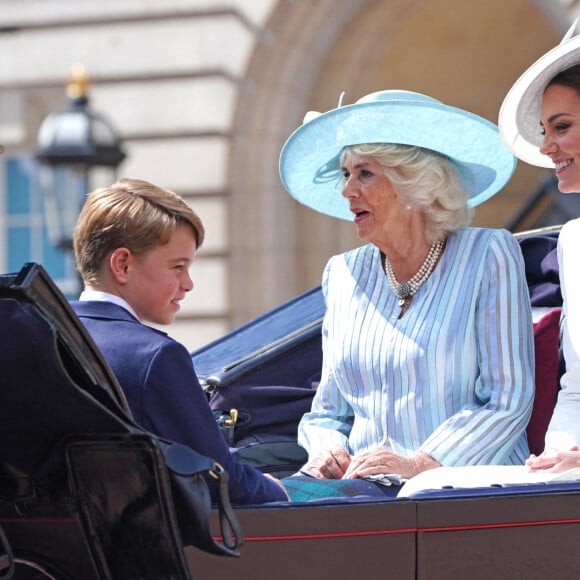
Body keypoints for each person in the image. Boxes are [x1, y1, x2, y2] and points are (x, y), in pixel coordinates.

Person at [278, 90, 535, 497]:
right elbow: (327, 413)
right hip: (364, 494)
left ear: (415, 184)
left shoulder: (488, 253)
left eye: (364, 174)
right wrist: (328, 451)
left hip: (470, 491)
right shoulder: (342, 273)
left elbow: (508, 399)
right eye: (345, 174)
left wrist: (420, 465)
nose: (347, 190)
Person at [71, 177, 289, 503]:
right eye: (177, 267)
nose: (188, 284)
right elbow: (219, 478)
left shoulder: (41, 334)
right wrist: (282, 489)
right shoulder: (155, 356)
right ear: (123, 265)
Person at [499, 23, 580, 474]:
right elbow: (576, 390)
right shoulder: (572, 242)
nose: (547, 147)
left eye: (562, 127)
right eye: (544, 129)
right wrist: (553, 460)